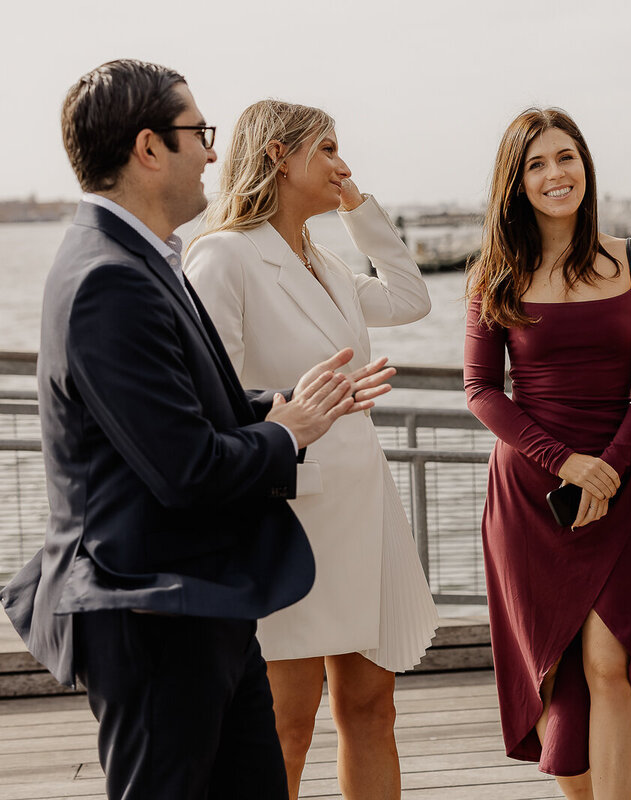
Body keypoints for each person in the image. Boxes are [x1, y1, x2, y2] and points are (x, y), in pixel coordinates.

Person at [0, 59, 395, 800]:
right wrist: (289, 432)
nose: (214, 152)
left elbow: (189, 410)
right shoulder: (108, 280)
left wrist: (288, 402)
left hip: (204, 603)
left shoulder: (142, 259)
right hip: (151, 613)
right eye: (199, 133)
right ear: (149, 149)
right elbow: (183, 466)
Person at [185, 100, 439, 800]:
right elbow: (210, 400)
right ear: (277, 155)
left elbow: (411, 298)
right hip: (286, 518)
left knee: (371, 710)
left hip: (363, 517)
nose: (342, 164)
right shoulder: (225, 256)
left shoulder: (324, 263)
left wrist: (356, 205)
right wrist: (291, 403)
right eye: (327, 149)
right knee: (283, 727)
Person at [463, 107, 631, 800]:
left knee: (609, 661)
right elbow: (481, 391)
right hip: (532, 496)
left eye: (566, 157)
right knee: (556, 668)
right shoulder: (493, 273)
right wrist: (565, 463)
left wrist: (609, 465)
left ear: (585, 164)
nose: (556, 174)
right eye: (537, 164)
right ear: (516, 182)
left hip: (619, 489)